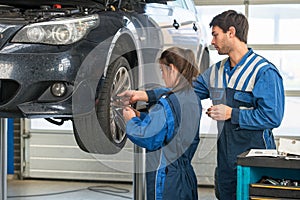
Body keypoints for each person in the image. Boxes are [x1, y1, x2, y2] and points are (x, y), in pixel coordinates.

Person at [119, 10, 285, 200]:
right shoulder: (216, 71)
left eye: (215, 35)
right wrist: (145, 95)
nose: (212, 42)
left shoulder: (263, 72)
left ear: (231, 32)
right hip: (226, 161)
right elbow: (184, 92)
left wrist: (232, 113)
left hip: (254, 161)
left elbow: (272, 117)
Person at [121, 47, 202, 200]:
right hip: (186, 176)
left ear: (171, 68)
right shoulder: (192, 97)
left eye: (162, 71)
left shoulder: (166, 103)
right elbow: (172, 127)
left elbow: (149, 138)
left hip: (166, 178)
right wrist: (141, 117)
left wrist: (131, 120)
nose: (162, 77)